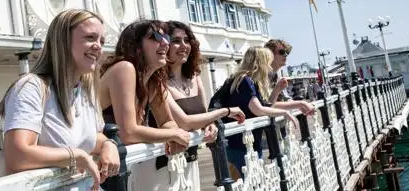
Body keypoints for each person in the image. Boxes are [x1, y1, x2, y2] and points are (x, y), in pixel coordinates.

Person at [3, 9, 120, 191]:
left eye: (101, 41)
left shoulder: (85, 90)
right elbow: (17, 155)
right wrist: (76, 156)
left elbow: (88, 137)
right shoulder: (32, 87)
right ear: (63, 41)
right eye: (90, 38)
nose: (98, 46)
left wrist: (108, 144)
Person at [99, 20, 190, 191]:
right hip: (101, 171)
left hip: (124, 167)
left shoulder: (154, 79)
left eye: (166, 36)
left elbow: (166, 122)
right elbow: (127, 132)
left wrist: (173, 133)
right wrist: (173, 134)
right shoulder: (124, 68)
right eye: (155, 36)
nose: (165, 42)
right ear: (136, 46)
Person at [162, 21, 245, 190]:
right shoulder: (158, 80)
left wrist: (210, 124)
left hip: (190, 157)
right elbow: (185, 122)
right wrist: (225, 112)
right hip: (163, 162)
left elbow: (203, 114)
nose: (184, 46)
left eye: (187, 40)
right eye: (176, 41)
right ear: (164, 44)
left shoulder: (194, 75)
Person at [225, 46, 298, 179]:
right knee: (248, 183)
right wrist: (283, 113)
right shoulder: (245, 80)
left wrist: (276, 90)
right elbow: (257, 110)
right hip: (241, 146)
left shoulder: (250, 81)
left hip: (246, 143)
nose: (270, 67)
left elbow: (264, 106)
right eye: (268, 63)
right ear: (260, 64)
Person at [265, 39, 315, 115]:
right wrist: (301, 104)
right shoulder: (261, 76)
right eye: (281, 52)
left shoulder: (276, 75)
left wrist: (299, 106)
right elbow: (265, 105)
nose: (285, 55)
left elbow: (285, 99)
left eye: (286, 52)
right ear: (270, 54)